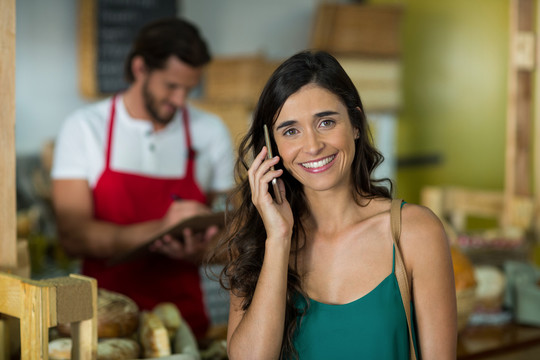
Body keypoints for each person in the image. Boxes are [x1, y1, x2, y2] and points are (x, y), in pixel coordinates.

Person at [211, 50, 457, 359]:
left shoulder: (415, 232)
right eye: (290, 131)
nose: (312, 146)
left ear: (355, 124)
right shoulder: (258, 241)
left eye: (326, 122)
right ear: (272, 148)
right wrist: (278, 239)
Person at [51, 17, 234, 339]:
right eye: (171, 86)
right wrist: (161, 230)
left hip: (183, 326)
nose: (180, 100)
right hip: (100, 323)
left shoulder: (210, 131)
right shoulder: (84, 128)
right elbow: (73, 237)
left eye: (189, 89)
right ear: (140, 68)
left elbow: (239, 235)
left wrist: (200, 251)